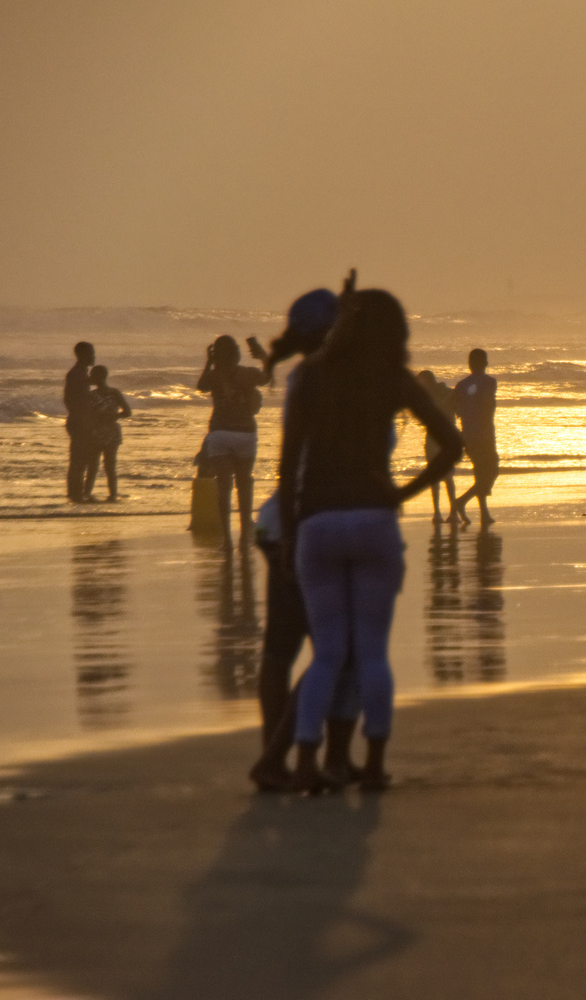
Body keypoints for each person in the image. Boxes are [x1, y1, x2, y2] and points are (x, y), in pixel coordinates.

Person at [279, 288, 463, 794]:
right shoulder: (390, 376)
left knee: (328, 653)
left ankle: (306, 763)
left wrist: (292, 531)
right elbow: (452, 445)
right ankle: (375, 762)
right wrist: (403, 491)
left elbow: (290, 460)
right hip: (373, 519)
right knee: (371, 653)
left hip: (318, 522)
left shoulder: (313, 376)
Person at [247, 286, 366, 792]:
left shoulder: (312, 376)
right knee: (337, 651)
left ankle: (299, 758)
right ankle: (298, 758)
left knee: (285, 647)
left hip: (286, 524)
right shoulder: (327, 379)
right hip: (308, 526)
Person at [196, 336, 271, 548]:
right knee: (244, 483)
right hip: (245, 433)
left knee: (224, 485)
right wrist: (263, 356)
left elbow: (200, 386)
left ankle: (227, 539)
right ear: (237, 352)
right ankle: (245, 534)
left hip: (219, 433)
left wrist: (209, 362)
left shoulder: (213, 375)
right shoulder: (248, 373)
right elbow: (266, 377)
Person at [452, 349, 499, 527]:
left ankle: (484, 514)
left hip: (467, 435)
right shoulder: (490, 382)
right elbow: (487, 405)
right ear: (485, 363)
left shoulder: (460, 385)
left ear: (469, 364)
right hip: (484, 434)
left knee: (480, 473)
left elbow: (456, 410)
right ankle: (462, 501)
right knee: (492, 471)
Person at [417, 369, 460, 522]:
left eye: (421, 382)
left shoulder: (446, 393)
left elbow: (456, 410)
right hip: (432, 438)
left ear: (428, 381)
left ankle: (453, 512)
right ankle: (437, 512)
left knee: (447, 476)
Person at [83, 366, 131, 501]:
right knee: (105, 465)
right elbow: (127, 412)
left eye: (92, 376)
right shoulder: (112, 393)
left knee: (97, 465)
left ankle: (94, 494)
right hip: (104, 432)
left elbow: (127, 412)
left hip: (101, 432)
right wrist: (115, 416)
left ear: (98, 377)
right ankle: (109, 494)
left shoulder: (96, 395)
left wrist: (113, 416)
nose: (90, 378)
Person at [63, 342, 97, 501]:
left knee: (82, 459)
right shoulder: (77, 374)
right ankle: (76, 494)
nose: (94, 356)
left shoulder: (81, 373)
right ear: (83, 355)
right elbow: (71, 400)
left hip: (80, 420)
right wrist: (82, 420)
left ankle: (78, 493)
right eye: (91, 353)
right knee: (79, 460)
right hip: (79, 422)